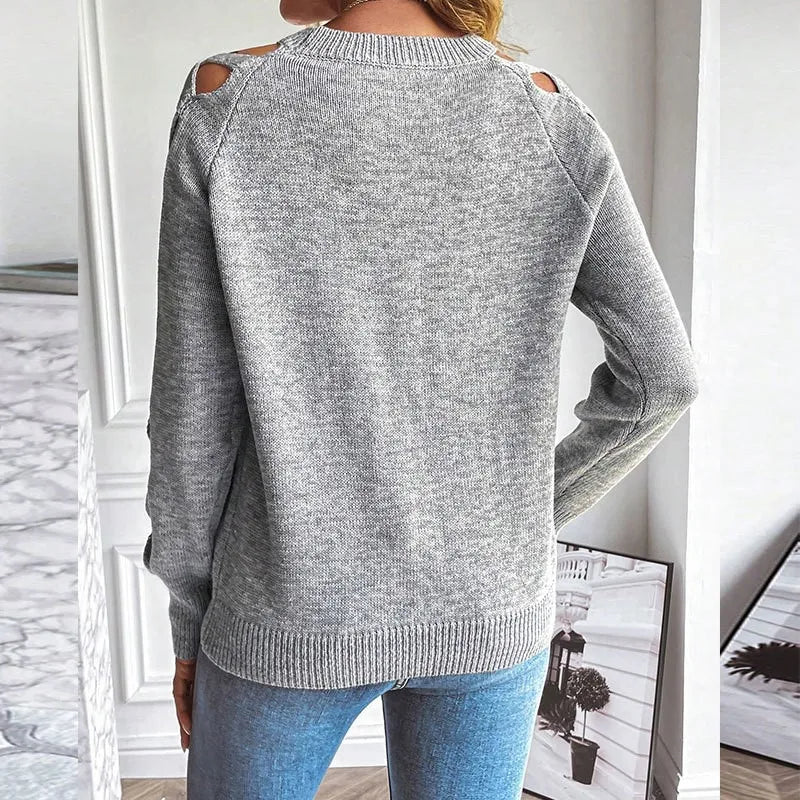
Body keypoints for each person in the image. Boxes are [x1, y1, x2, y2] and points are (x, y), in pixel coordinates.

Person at [142, 0, 700, 797]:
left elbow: (192, 413)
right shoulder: (548, 116)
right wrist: (512, 524)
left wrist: (190, 619)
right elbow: (663, 378)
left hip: (286, 610)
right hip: (489, 610)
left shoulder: (228, 101)